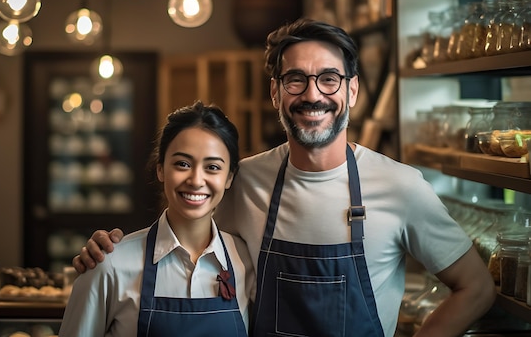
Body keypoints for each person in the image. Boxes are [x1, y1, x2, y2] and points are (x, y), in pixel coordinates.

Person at [73, 18, 496, 337]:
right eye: (295, 79)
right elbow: (182, 229)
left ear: (351, 91)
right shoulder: (246, 180)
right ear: (276, 92)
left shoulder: (401, 187)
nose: (312, 94)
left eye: (328, 79)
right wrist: (107, 251)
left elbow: (476, 289)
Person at [59, 101, 255, 336]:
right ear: (161, 169)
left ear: (229, 178)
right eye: (182, 164)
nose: (195, 179)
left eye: (212, 167)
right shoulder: (108, 265)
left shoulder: (245, 260)